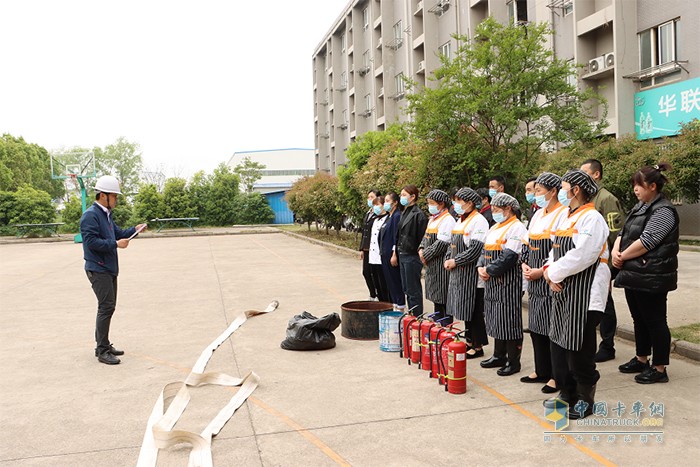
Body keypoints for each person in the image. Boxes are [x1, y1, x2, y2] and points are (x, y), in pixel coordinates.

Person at [542, 169, 610, 419]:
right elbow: (554, 250)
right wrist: (550, 272)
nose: (561, 191)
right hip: (563, 287)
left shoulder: (592, 218)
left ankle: (584, 398)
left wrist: (555, 273)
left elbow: (584, 254)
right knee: (559, 342)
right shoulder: (566, 217)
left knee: (579, 347)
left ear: (576, 190)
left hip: (585, 289)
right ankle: (566, 392)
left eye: (563, 187)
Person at [613, 163, 679, 384]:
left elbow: (647, 241)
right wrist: (615, 250)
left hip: (652, 275)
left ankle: (659, 368)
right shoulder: (640, 207)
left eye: (639, 185)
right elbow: (623, 232)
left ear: (653, 186)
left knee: (655, 321)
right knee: (638, 319)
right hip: (635, 273)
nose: (635, 189)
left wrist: (621, 256)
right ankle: (641, 359)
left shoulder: (664, 211)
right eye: (634, 185)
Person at [81, 175, 147, 365]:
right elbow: (91, 242)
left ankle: (103, 344)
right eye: (114, 196)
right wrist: (116, 244)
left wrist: (134, 230)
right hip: (98, 269)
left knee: (108, 307)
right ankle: (102, 350)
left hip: (108, 268)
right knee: (106, 307)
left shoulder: (106, 214)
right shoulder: (90, 215)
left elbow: (117, 234)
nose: (116, 200)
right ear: (103, 195)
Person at [521, 173, 568, 394]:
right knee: (537, 326)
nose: (536, 195)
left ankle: (555, 376)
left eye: (539, 191)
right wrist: (524, 264)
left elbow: (559, 249)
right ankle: (541, 369)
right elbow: (527, 242)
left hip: (548, 277)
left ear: (553, 191)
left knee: (551, 328)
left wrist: (543, 271)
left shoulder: (562, 214)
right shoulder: (538, 214)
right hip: (533, 276)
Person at [477, 193, 528, 376]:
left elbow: (510, 256)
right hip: (492, 281)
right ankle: (499, 355)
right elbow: (484, 251)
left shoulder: (517, 228)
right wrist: (480, 267)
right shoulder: (494, 227)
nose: (494, 212)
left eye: (497, 210)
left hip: (508, 282)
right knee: (496, 318)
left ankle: (514, 361)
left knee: (509, 321)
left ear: (508, 209)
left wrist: (489, 270)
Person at [580, 159, 626, 362]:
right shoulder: (586, 199)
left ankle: (608, 345)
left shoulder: (606, 199)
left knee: (605, 303)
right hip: (587, 262)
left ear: (596, 174)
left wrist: (609, 266)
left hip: (602, 262)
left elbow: (615, 235)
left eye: (584, 173)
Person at [444, 188, 490, 358]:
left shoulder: (479, 221)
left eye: (459, 201)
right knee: (464, 310)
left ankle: (477, 346)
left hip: (471, 274)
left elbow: (476, 249)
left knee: (474, 311)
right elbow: (451, 244)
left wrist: (455, 261)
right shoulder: (460, 220)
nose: (456, 204)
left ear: (470, 203)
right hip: (459, 274)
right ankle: (469, 341)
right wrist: (449, 258)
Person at [419, 189, 456, 323]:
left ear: (441, 204)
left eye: (432, 203)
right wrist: (421, 250)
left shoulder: (448, 220)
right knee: (436, 300)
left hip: (441, 267)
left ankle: (446, 327)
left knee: (443, 300)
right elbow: (425, 238)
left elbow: (441, 244)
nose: (430, 206)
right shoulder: (433, 220)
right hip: (431, 266)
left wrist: (425, 255)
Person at [397, 185, 428, 316]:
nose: (401, 197)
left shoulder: (418, 215)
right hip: (402, 254)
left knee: (413, 290)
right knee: (406, 289)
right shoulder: (404, 212)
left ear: (413, 196)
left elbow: (422, 238)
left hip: (412, 256)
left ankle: (417, 318)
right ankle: (412, 316)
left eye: (404, 195)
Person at [378, 192, 405, 312]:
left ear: (395, 203)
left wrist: (394, 254)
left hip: (391, 255)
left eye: (388, 201)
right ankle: (394, 305)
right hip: (384, 255)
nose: (385, 204)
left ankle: (400, 307)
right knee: (390, 282)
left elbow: (396, 237)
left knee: (395, 282)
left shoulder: (397, 216)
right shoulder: (389, 216)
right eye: (385, 201)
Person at [359, 190, 381, 301]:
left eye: (372, 197)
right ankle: (372, 294)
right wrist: (362, 248)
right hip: (367, 248)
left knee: (375, 273)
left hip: (375, 249)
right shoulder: (368, 213)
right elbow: (364, 232)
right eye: (368, 197)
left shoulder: (380, 214)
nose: (369, 199)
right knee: (366, 272)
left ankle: (378, 294)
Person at [368, 196, 390, 302]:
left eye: (378, 204)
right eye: (374, 205)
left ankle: (387, 304)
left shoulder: (388, 219)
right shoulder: (375, 219)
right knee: (376, 283)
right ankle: (380, 303)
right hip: (373, 257)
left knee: (384, 284)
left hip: (382, 257)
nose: (375, 207)